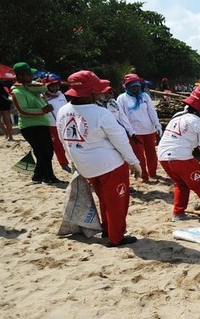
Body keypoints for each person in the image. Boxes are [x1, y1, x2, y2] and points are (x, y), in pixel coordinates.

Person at [57, 70, 141, 247]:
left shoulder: (63, 111)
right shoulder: (100, 113)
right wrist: (134, 162)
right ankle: (116, 237)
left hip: (85, 165)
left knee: (104, 199)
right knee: (117, 202)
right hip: (110, 165)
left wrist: (72, 160)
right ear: (92, 92)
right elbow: (120, 140)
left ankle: (106, 229)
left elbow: (64, 139)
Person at [157, 91, 200, 223]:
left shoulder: (177, 116)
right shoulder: (197, 122)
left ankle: (178, 213)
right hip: (181, 158)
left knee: (181, 184)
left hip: (163, 155)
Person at [10, 62, 60, 184]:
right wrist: (42, 110)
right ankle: (49, 177)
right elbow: (23, 110)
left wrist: (34, 84)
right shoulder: (17, 92)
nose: (32, 77)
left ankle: (38, 175)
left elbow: (45, 87)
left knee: (45, 151)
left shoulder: (30, 86)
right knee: (44, 152)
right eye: (29, 75)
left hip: (41, 123)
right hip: (30, 125)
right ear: (21, 75)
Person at [117, 74, 162, 182]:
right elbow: (122, 117)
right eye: (133, 86)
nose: (135, 88)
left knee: (151, 153)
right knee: (139, 155)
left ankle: (153, 173)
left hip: (149, 130)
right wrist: (130, 131)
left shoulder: (145, 96)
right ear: (127, 87)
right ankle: (144, 175)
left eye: (137, 86)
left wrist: (157, 125)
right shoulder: (122, 99)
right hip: (134, 132)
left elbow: (152, 111)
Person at [43, 74, 71, 173]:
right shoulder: (43, 98)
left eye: (55, 85)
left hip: (66, 122)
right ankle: (63, 163)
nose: (54, 87)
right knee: (58, 145)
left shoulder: (61, 95)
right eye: (51, 86)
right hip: (52, 125)